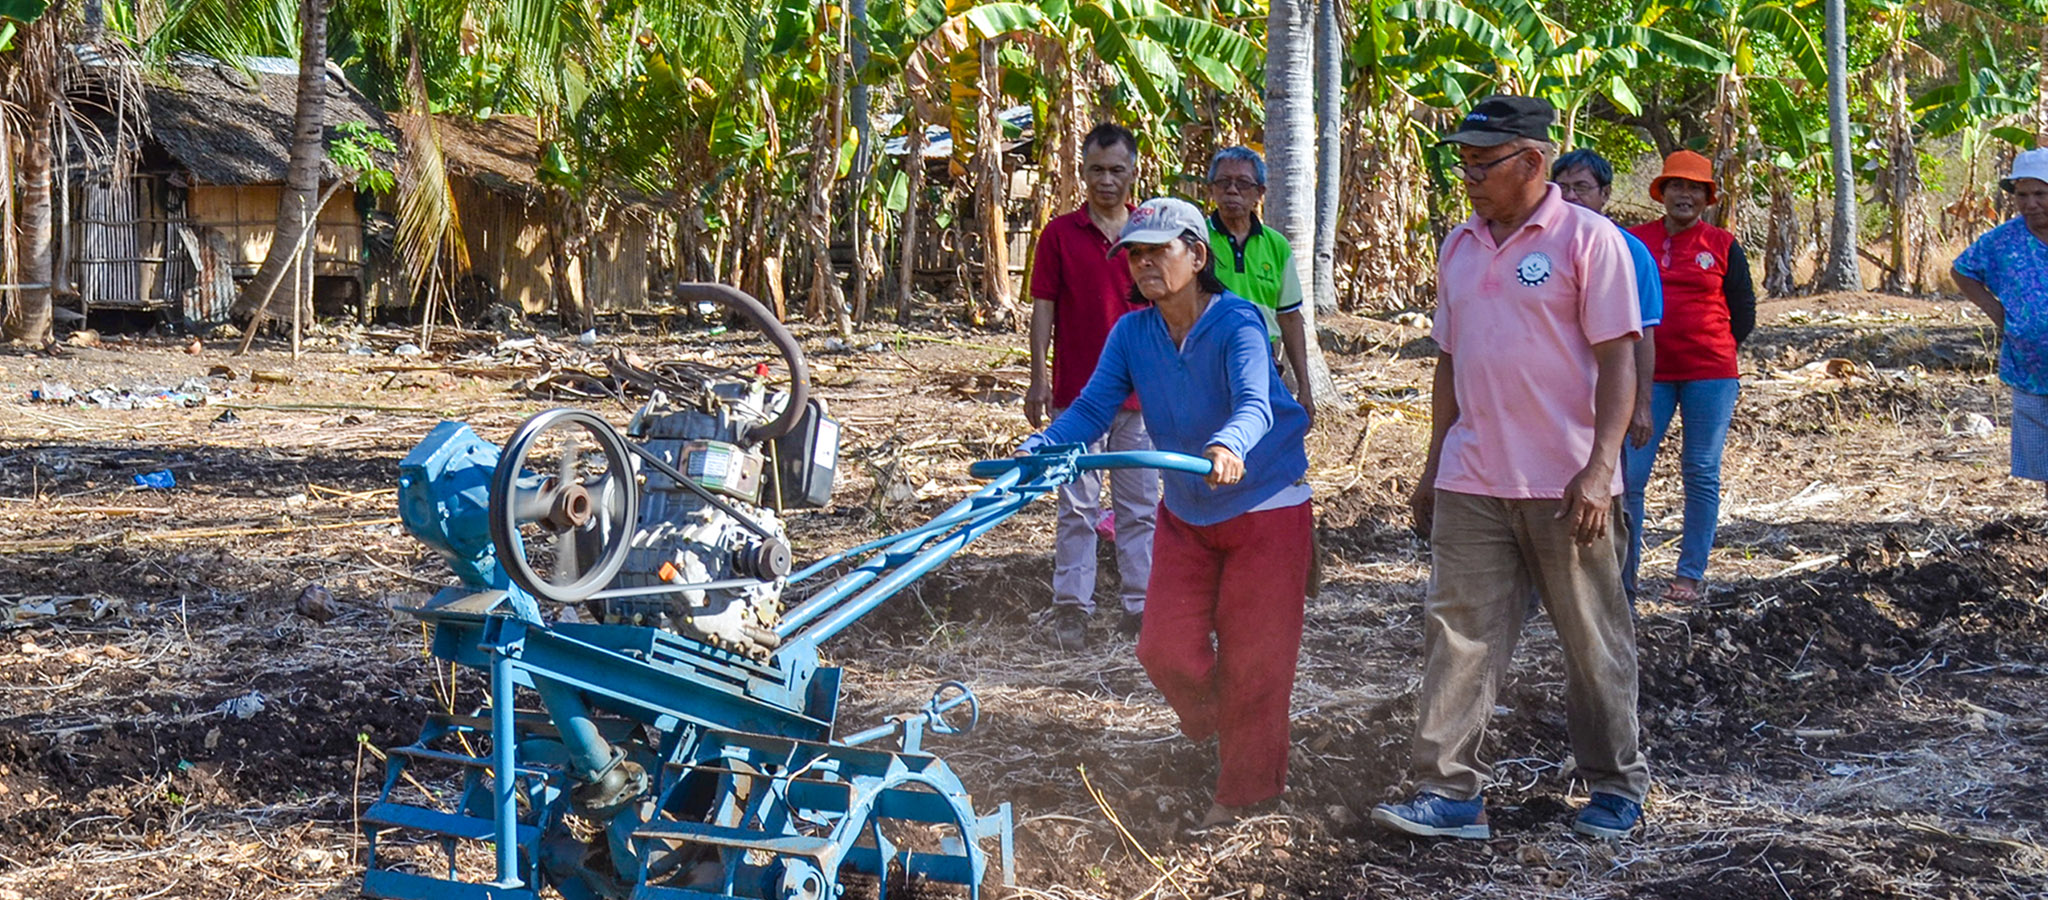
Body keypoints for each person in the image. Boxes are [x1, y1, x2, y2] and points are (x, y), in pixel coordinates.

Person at [1373, 95, 1649, 841]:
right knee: (1457, 632)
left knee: (1592, 637)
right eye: (1461, 159)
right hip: (1474, 477)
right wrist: (1434, 464)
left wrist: (1599, 469)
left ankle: (1616, 785)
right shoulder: (1458, 246)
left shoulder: (1589, 241)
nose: (1467, 174)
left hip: (1567, 485)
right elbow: (1449, 363)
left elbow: (1618, 362)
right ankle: (1449, 790)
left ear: (1531, 161)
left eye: (1482, 161)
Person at [1018, 197, 1313, 828]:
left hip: (1265, 506)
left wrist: (1229, 444)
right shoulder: (1133, 332)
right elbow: (1093, 408)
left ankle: (1245, 797)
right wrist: (1043, 446)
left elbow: (1256, 403)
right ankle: (1227, 725)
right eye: (1135, 254)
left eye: (1159, 251)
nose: (1144, 264)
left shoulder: (1237, 322)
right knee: (1163, 649)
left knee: (1255, 661)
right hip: (1186, 507)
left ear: (1197, 256)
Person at [1025, 123, 1160, 649]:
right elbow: (1043, 308)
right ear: (1082, 172)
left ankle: (1140, 607)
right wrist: (1038, 377)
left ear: (1133, 172)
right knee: (1077, 506)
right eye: (1096, 170)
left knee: (1139, 505)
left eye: (1117, 170)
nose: (1107, 180)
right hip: (1077, 396)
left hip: (1140, 397)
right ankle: (1071, 611)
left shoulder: (1148, 234)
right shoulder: (1059, 235)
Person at [1623, 150, 1756, 604]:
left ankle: (1689, 575)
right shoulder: (1633, 240)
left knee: (1700, 470)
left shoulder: (1722, 244)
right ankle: (1625, 576)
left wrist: (1715, 346)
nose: (1685, 194)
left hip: (1710, 375)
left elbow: (1744, 312)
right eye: (1677, 185)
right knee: (1631, 473)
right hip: (1647, 376)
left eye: (1695, 188)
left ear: (1707, 197)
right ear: (1662, 192)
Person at [1552, 149, 1665, 604]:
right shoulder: (1540, 244)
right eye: (1563, 187)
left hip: (1607, 398)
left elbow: (1643, 335)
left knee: (1615, 492)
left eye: (1582, 188)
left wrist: (1640, 405)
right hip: (1556, 402)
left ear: (1605, 195)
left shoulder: (1628, 252)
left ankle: (1621, 586)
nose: (1571, 196)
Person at [1953, 148, 2048, 499]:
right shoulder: (2004, 241)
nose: (2030, 203)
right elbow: (1962, 270)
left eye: (2040, 193)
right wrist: (1994, 310)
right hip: (2031, 367)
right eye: (2022, 195)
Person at [1205, 146, 1317, 421]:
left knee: (1264, 445)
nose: (1232, 191)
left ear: (1259, 193)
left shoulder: (1276, 246)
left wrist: (1304, 387)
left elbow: (1290, 317)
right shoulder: (1196, 239)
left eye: (1243, 184)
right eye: (1224, 183)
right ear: (1212, 189)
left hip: (1262, 364)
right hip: (1205, 364)